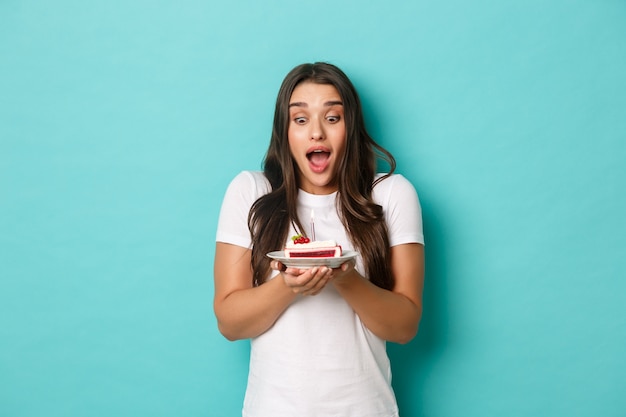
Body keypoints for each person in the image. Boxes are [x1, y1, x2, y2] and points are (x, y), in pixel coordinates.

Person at [214, 62, 424, 417]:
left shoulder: (390, 194)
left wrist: (345, 277)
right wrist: (288, 284)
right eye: (300, 119)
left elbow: (404, 327)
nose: (316, 134)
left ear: (351, 127)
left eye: (332, 118)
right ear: (285, 132)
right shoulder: (250, 191)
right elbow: (230, 323)